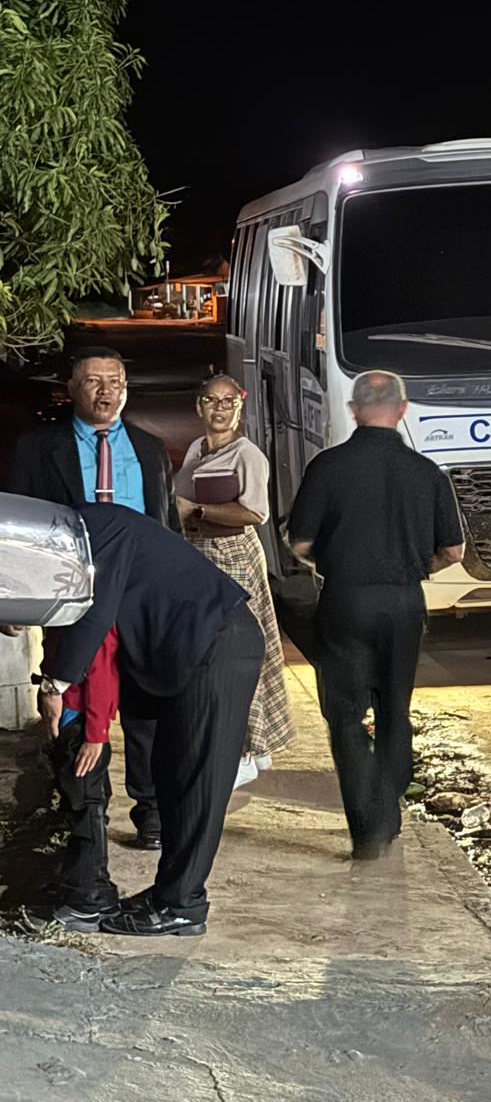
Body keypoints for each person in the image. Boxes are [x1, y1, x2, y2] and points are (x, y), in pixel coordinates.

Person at [38, 502, 264, 936]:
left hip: (217, 644)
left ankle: (182, 906)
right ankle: (169, 892)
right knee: (171, 775)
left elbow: (93, 617)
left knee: (197, 782)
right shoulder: (94, 529)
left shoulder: (101, 531)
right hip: (188, 651)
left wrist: (55, 685)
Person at [4, 347, 179, 851]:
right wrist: (13, 598)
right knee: (75, 701)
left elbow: (166, 523)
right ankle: (85, 814)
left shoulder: (148, 447)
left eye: (116, 381)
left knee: (146, 708)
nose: (107, 392)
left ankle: (151, 812)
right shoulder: (39, 448)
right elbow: (17, 527)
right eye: (94, 381)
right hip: (74, 596)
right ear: (71, 389)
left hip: (139, 594)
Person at [287, 370, 464, 860]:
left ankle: (366, 829)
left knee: (345, 715)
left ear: (354, 410)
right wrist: (414, 568)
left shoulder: (328, 467)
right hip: (403, 602)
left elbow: (299, 542)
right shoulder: (427, 472)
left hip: (345, 600)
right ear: (402, 410)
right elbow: (453, 550)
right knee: (394, 711)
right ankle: (388, 810)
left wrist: (334, 559)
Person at [175, 374, 294, 789]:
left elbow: (255, 513)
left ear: (239, 409)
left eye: (229, 402)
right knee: (215, 655)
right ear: (199, 406)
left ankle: (243, 751)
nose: (220, 409)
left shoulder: (248, 455)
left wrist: (197, 511)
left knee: (238, 655)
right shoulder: (198, 448)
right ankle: (255, 748)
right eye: (212, 400)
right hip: (200, 556)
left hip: (234, 558)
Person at [40, 627, 121, 931]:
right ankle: (92, 885)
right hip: (75, 718)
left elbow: (101, 670)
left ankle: (87, 899)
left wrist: (96, 733)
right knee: (85, 803)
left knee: (84, 807)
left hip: (81, 721)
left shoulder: (90, 615)